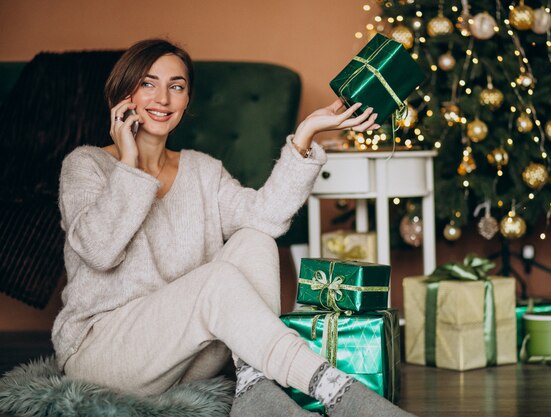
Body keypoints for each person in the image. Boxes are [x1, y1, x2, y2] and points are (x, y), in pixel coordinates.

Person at [52, 38, 415, 417]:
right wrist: (128, 164)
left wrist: (306, 134)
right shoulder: (86, 165)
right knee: (217, 280)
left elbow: (267, 216)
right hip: (102, 354)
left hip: (183, 361)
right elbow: (100, 250)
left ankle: (254, 385)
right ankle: (338, 390)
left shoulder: (202, 170)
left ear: (187, 100)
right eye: (147, 83)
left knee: (256, 239)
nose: (162, 98)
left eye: (176, 86)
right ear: (123, 93)